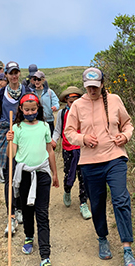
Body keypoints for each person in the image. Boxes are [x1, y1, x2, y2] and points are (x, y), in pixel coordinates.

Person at [64, 67, 135, 266]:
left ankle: (127, 250)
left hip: (115, 158)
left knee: (121, 199)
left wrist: (125, 136)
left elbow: (128, 124)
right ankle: (102, 238)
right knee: (97, 203)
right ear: (84, 86)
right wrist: (83, 138)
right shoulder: (78, 105)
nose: (92, 91)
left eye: (95, 87)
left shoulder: (114, 99)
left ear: (102, 84)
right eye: (88, 87)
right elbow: (69, 132)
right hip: (90, 163)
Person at [7, 92, 59, 266]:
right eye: (27, 109)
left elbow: (50, 151)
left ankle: (45, 258)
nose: (30, 112)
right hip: (25, 175)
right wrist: (10, 140)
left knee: (42, 213)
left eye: (33, 109)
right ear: (21, 109)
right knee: (27, 210)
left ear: (38, 109)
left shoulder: (45, 126)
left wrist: (55, 173)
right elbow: (11, 155)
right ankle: (29, 237)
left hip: (42, 174)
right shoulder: (17, 128)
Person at [0, 61, 33, 235]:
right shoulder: (0, 93)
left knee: (25, 173)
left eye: (16, 72)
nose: (14, 75)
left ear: (19, 73)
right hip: (7, 135)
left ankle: (23, 211)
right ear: (5, 74)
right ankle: (11, 216)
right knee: (8, 174)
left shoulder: (27, 92)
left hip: (24, 133)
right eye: (11, 73)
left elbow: (34, 114)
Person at [52, 86, 92, 220]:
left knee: (83, 176)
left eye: (76, 101)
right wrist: (53, 140)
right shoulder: (62, 114)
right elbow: (58, 130)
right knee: (69, 174)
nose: (73, 104)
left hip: (83, 148)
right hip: (68, 149)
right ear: (66, 102)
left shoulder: (85, 112)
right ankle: (67, 190)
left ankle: (83, 203)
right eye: (70, 101)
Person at [32, 71, 59, 135]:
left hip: (49, 121)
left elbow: (56, 102)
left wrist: (55, 107)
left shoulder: (49, 92)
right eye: (35, 79)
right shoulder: (31, 92)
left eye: (39, 79)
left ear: (43, 80)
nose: (37, 81)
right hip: (36, 121)